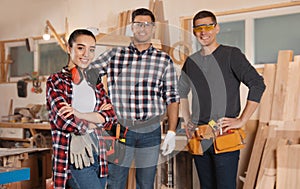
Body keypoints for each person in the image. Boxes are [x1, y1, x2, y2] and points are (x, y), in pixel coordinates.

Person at [85, 8, 180, 189]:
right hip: (120, 130)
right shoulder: (115, 55)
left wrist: (172, 132)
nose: (142, 28)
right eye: (138, 24)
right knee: (115, 182)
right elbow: (87, 73)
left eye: (147, 24)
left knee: (146, 184)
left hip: (150, 131)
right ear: (132, 27)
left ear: (153, 28)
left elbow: (172, 97)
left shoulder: (163, 60)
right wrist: (89, 43)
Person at [178, 10, 266, 189]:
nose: (204, 31)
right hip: (200, 135)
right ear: (194, 31)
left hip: (224, 134)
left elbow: (257, 84)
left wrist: (242, 120)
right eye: (199, 28)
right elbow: (180, 92)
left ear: (216, 28)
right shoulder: (191, 62)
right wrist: (187, 120)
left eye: (208, 26)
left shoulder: (231, 55)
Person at [46, 29, 117, 189]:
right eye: (80, 47)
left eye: (91, 49)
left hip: (99, 151)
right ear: (69, 48)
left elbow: (111, 116)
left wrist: (81, 115)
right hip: (74, 151)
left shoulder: (94, 81)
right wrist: (96, 120)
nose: (86, 54)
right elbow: (63, 120)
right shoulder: (56, 81)